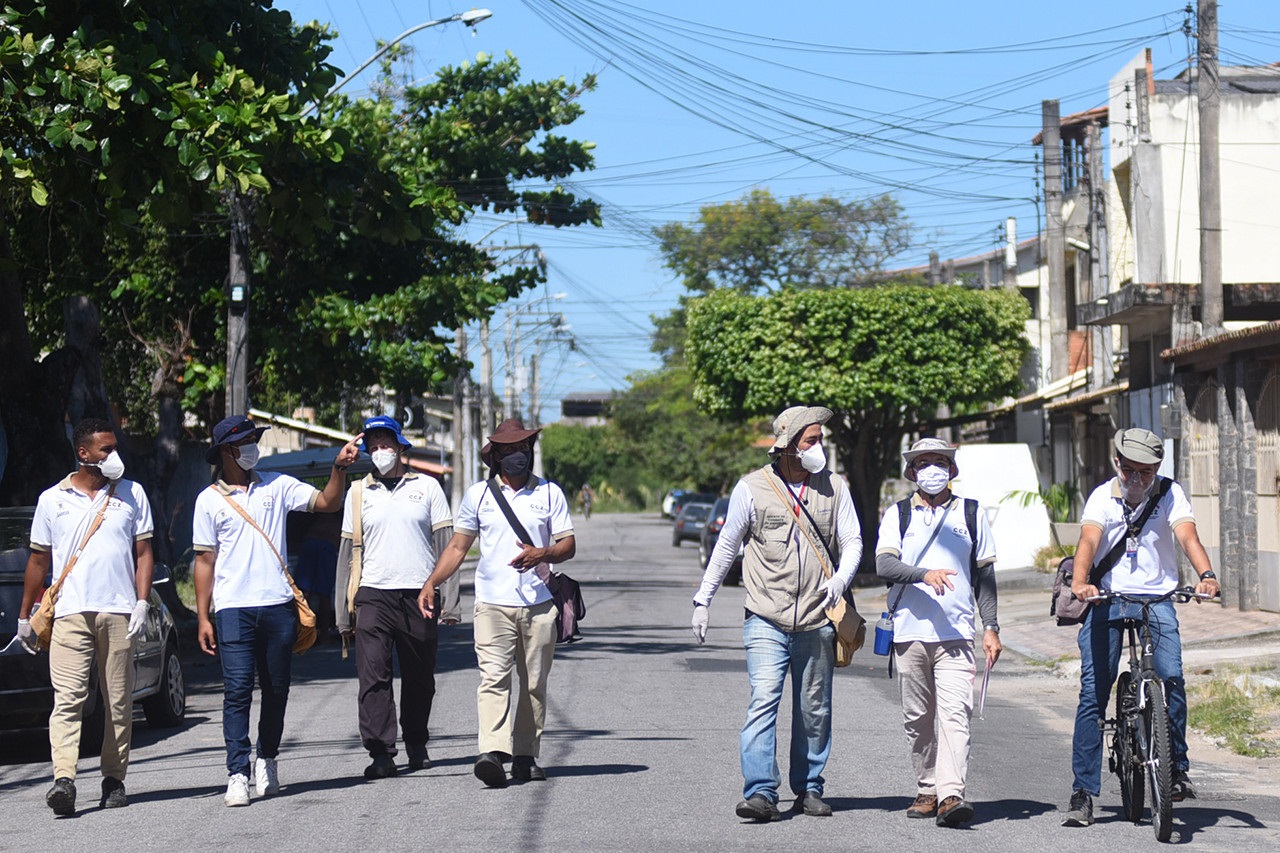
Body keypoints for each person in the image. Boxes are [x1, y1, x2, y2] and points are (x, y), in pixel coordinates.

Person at [691, 405, 862, 821]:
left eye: (820, 439)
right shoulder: (751, 488)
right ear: (787, 446)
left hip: (819, 619)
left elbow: (854, 540)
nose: (818, 447)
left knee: (814, 708)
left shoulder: (834, 487)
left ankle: (809, 788)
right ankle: (760, 792)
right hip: (766, 616)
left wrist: (840, 580)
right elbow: (727, 546)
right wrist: (703, 599)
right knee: (763, 700)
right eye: (811, 440)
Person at [192, 414, 360, 807]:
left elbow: (327, 502)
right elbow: (204, 560)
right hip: (233, 609)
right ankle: (237, 772)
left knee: (277, 690)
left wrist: (338, 468)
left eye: (256, 438)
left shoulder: (278, 486)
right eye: (248, 440)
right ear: (227, 450)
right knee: (236, 691)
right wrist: (202, 616)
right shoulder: (208, 500)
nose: (255, 446)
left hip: (278, 605)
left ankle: (266, 758)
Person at [1061, 427, 1220, 827]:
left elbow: (1187, 535)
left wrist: (1206, 574)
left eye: (1145, 473)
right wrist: (1081, 583)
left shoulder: (1170, 493)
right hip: (1107, 599)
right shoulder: (1102, 496)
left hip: (1158, 599)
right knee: (1093, 694)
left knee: (1172, 678)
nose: (1135, 480)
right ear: (1117, 463)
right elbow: (1088, 542)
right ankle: (1083, 793)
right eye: (1129, 470)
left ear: (1157, 469)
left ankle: (1176, 769)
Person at [417, 418, 576, 788]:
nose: (518, 455)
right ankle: (492, 752)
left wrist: (543, 553)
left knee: (534, 683)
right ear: (497, 455)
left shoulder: (550, 493)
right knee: (493, 679)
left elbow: (568, 545)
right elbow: (457, 547)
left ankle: (524, 755)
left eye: (524, 448)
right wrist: (432, 583)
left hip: (539, 604)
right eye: (510, 449)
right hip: (491, 604)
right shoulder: (480, 496)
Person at [17, 418, 155, 815]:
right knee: (68, 700)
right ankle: (64, 780)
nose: (114, 456)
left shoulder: (133, 494)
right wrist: (26, 615)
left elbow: (143, 552)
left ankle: (113, 779)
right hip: (70, 613)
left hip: (119, 610)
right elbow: (39, 559)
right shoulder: (52, 499)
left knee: (117, 700)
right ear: (83, 454)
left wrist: (141, 602)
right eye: (105, 450)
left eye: (115, 448)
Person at [874, 437, 1001, 828]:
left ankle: (950, 794)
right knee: (917, 718)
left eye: (940, 462)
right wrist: (924, 575)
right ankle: (927, 787)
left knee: (955, 715)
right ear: (911, 472)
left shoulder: (972, 513)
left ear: (953, 470)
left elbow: (984, 576)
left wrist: (991, 626)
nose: (932, 469)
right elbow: (884, 565)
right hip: (910, 633)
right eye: (924, 462)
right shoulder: (898, 515)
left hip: (957, 633)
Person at [333, 415, 460, 780]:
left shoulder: (428, 488)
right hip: (372, 595)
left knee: (420, 676)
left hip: (419, 594)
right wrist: (343, 612)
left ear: (401, 448)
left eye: (386, 444)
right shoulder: (358, 493)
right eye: (372, 447)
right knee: (373, 677)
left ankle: (416, 743)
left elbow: (446, 544)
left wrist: (449, 601)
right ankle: (381, 753)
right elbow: (346, 553)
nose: (379, 452)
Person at [294, 511, 340, 644]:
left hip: (311, 543)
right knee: (323, 594)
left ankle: (302, 635)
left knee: (305, 593)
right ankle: (322, 635)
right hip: (326, 545)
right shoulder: (338, 516)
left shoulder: (319, 515)